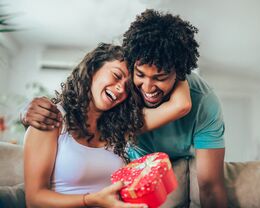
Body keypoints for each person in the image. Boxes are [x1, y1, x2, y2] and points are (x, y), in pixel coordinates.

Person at [22, 9, 228, 207]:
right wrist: (26, 111)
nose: (145, 88)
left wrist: (179, 68)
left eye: (160, 77)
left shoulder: (123, 124)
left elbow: (181, 106)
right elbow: (35, 198)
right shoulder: (61, 117)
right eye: (137, 75)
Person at [23, 43, 192, 208]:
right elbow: (35, 199)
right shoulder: (51, 119)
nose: (120, 89)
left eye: (128, 87)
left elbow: (181, 105)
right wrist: (90, 200)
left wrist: (175, 59)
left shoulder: (120, 127)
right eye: (117, 76)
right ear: (92, 69)